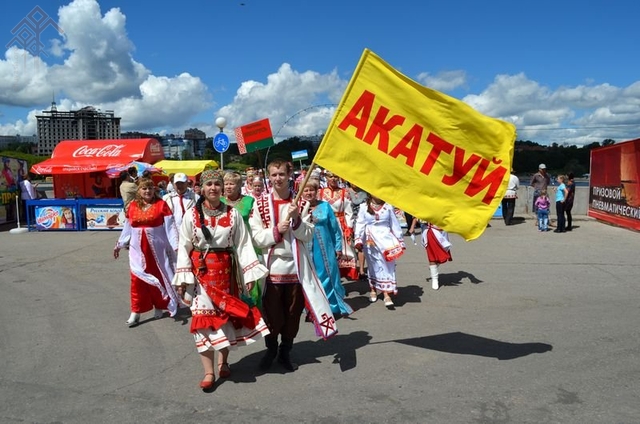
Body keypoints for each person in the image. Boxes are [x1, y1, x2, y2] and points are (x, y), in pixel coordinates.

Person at [172, 169, 270, 391]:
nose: (214, 188)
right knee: (203, 321)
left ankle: (223, 361)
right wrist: (183, 279)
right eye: (209, 185)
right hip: (200, 276)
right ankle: (208, 372)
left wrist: (250, 275)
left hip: (227, 273)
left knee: (224, 319)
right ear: (202, 189)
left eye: (217, 184)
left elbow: (244, 244)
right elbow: (184, 246)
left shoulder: (233, 214)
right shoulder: (192, 215)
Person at [249, 160, 337, 372]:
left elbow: (308, 235)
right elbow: (256, 237)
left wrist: (297, 219)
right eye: (273, 175)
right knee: (272, 314)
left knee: (292, 313)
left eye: (281, 174)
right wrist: (276, 230)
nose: (277, 178)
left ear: (289, 175)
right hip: (272, 268)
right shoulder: (260, 203)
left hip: (297, 269)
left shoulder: (301, 204)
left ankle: (285, 351)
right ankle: (270, 349)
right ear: (268, 177)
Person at [113, 178, 181, 327]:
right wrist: (120, 244)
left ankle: (160, 305)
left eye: (150, 188)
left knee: (159, 276)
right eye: (144, 188)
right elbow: (127, 227)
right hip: (137, 250)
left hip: (157, 250)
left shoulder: (161, 205)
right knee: (137, 280)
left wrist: (176, 246)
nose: (147, 191)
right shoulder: (132, 206)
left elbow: (170, 227)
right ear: (139, 190)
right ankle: (135, 311)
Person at [300, 180, 353, 316]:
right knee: (310, 279)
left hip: (325, 247)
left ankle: (333, 307)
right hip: (305, 248)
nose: (308, 193)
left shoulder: (325, 206)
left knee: (328, 276)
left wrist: (338, 247)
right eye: (305, 190)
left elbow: (335, 228)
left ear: (317, 191)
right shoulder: (299, 208)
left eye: (311, 190)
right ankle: (314, 310)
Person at [354, 194, 405, 308]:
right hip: (370, 240)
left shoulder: (388, 207)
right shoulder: (363, 207)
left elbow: (394, 224)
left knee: (387, 265)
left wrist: (400, 239)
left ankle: (387, 293)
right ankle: (373, 288)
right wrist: (358, 239)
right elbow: (360, 224)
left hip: (386, 239)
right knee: (373, 265)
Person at [221, 171, 262, 308]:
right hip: (226, 246)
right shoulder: (219, 201)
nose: (228, 187)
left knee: (251, 283)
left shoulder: (249, 201)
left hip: (246, 245)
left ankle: (255, 314)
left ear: (239, 185)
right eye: (226, 184)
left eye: (231, 184)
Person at [318, 171, 359, 280]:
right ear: (326, 178)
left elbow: (349, 212)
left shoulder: (344, 192)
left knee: (343, 249)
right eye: (330, 176)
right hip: (325, 224)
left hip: (340, 223)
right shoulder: (320, 193)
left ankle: (341, 274)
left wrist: (349, 227)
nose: (333, 178)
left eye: (335, 176)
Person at [409, 218, 452, 290]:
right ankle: (435, 279)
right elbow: (416, 214)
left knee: (443, 254)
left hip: (441, 228)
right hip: (429, 230)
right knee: (431, 254)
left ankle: (433, 267)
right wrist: (412, 227)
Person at [346, 182, 368, 278]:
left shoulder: (365, 193)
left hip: (362, 221)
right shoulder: (345, 192)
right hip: (349, 221)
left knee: (360, 246)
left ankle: (362, 270)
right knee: (349, 246)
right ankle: (352, 268)